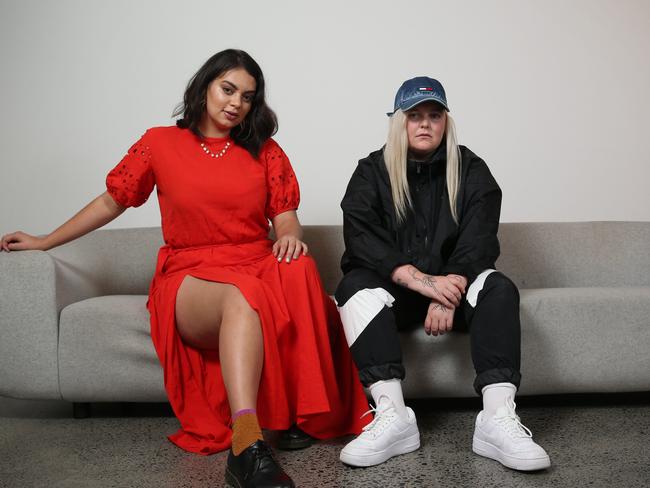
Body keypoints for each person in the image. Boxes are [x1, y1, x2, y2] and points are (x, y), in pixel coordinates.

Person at [1, 49, 370, 488]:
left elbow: (284, 211)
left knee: (298, 268)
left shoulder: (264, 151)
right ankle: (248, 444)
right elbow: (109, 201)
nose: (236, 103)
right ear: (204, 87)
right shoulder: (159, 143)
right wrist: (45, 240)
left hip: (253, 260)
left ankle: (292, 416)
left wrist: (289, 233)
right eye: (227, 89)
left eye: (247, 97)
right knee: (243, 296)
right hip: (192, 273)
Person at [335, 76, 551, 471]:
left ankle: (497, 419)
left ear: (446, 123)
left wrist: (448, 288)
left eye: (434, 115)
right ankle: (393, 416)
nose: (424, 124)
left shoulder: (471, 169)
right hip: (399, 296)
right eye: (414, 115)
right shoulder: (371, 171)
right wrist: (426, 285)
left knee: (499, 287)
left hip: (459, 289)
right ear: (398, 121)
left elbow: (480, 240)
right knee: (352, 287)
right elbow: (362, 240)